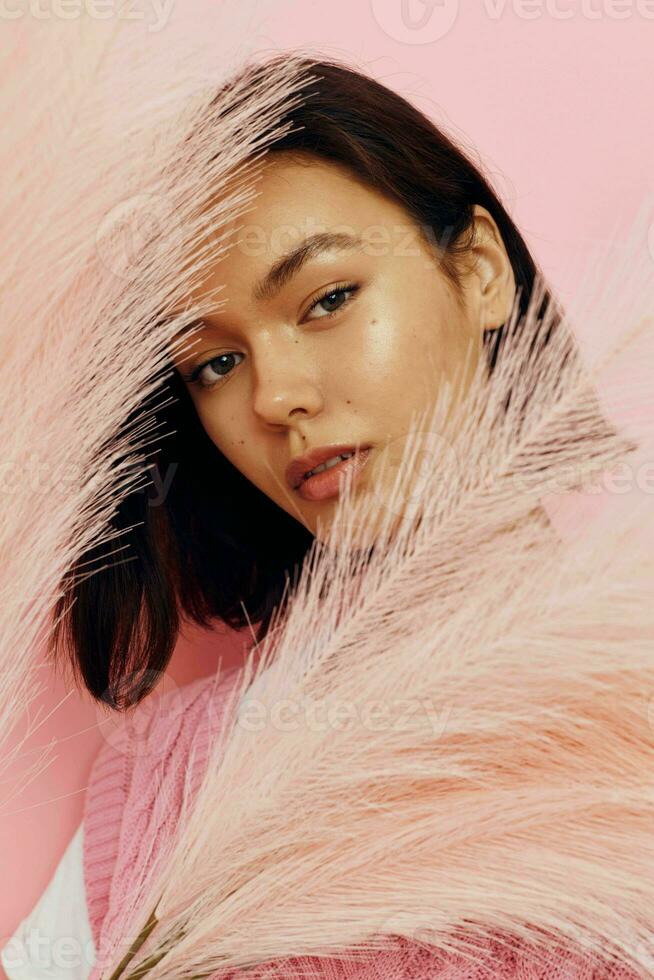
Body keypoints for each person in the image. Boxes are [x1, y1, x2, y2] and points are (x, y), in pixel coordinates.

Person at [1, 55, 639, 980]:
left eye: (329, 300)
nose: (276, 397)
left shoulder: (631, 708)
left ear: (481, 270)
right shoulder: (162, 774)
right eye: (214, 365)